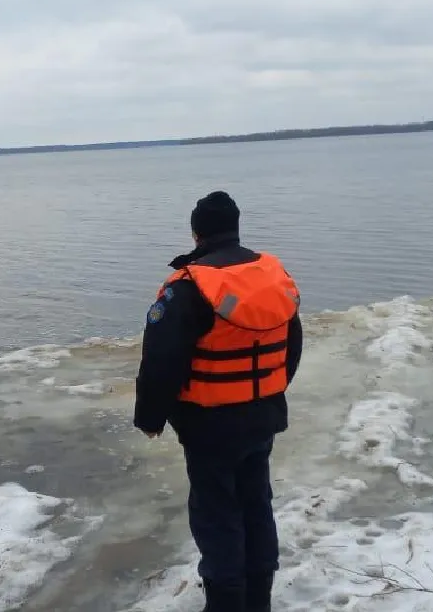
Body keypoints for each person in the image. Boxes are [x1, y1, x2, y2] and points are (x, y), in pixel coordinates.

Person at [134, 191, 304, 612]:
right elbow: (292, 344)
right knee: (255, 505)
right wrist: (268, 391)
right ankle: (258, 600)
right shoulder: (270, 276)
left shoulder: (188, 287)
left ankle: (226, 603)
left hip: (209, 425)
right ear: (236, 226)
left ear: (196, 232)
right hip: (261, 415)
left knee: (217, 515)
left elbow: (161, 360)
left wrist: (150, 418)